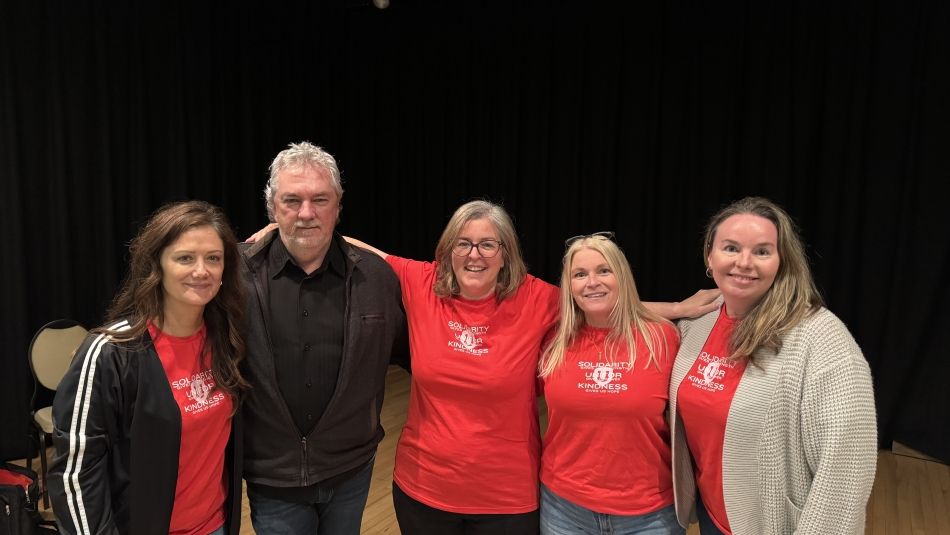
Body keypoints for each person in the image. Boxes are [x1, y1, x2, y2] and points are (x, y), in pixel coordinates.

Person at [340, 201, 719, 534]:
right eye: (463, 243)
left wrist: (678, 309)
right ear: (447, 250)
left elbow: (599, 299)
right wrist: (284, 233)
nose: (475, 254)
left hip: (508, 498)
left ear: (505, 254)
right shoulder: (421, 282)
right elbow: (365, 251)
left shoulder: (535, 297)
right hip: (423, 487)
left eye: (488, 244)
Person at [668, 197, 877, 534]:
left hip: (774, 525)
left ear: (782, 261)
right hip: (713, 516)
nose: (744, 262)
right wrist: (675, 308)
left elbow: (846, 469)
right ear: (710, 256)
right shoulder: (698, 321)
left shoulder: (821, 339)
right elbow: (607, 314)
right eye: (731, 248)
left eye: (762, 251)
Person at [48, 200, 248, 535]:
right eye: (185, 258)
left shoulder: (226, 339)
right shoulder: (111, 353)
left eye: (213, 258)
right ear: (157, 265)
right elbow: (74, 475)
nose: (202, 270)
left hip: (216, 526)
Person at [239, 141, 406, 535]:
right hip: (272, 476)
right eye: (292, 200)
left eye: (320, 199)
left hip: (351, 470)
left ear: (338, 205)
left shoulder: (376, 279)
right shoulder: (236, 278)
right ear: (272, 207)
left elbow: (417, 354)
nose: (307, 213)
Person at [538, 232, 683, 534]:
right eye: (580, 274)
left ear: (622, 276)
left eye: (604, 271)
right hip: (565, 509)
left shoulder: (663, 338)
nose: (592, 282)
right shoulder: (554, 341)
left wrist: (678, 308)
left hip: (648, 515)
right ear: (569, 286)